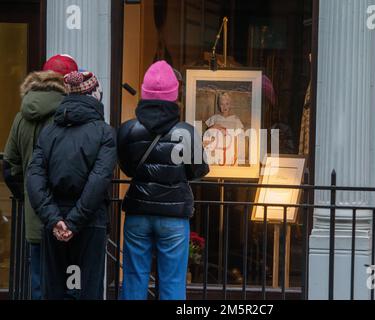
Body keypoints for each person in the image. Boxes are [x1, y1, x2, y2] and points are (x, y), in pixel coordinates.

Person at [117, 60, 209, 300]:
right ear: (174, 95)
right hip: (174, 215)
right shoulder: (187, 132)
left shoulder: (127, 130)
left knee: (134, 278)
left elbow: (127, 167)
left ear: (144, 91)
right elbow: (198, 170)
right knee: (173, 282)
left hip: (138, 211)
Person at [26, 71, 117, 300]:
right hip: (90, 220)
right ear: (95, 94)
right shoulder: (104, 132)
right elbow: (98, 180)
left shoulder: (49, 132)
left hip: (55, 219)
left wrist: (55, 219)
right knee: (88, 290)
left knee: (55, 289)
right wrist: (73, 222)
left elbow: (35, 176)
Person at [3, 54, 78, 300]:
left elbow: (10, 163)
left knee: (38, 281)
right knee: (70, 281)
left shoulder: (21, 116)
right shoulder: (71, 115)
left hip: (35, 213)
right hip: (67, 212)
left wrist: (27, 195)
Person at [204, 92, 244, 166]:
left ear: (230, 105)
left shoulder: (235, 119)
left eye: (227, 104)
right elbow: (207, 134)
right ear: (219, 105)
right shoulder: (214, 118)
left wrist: (237, 154)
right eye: (222, 104)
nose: (224, 107)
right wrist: (214, 127)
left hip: (230, 152)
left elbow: (238, 139)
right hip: (217, 151)